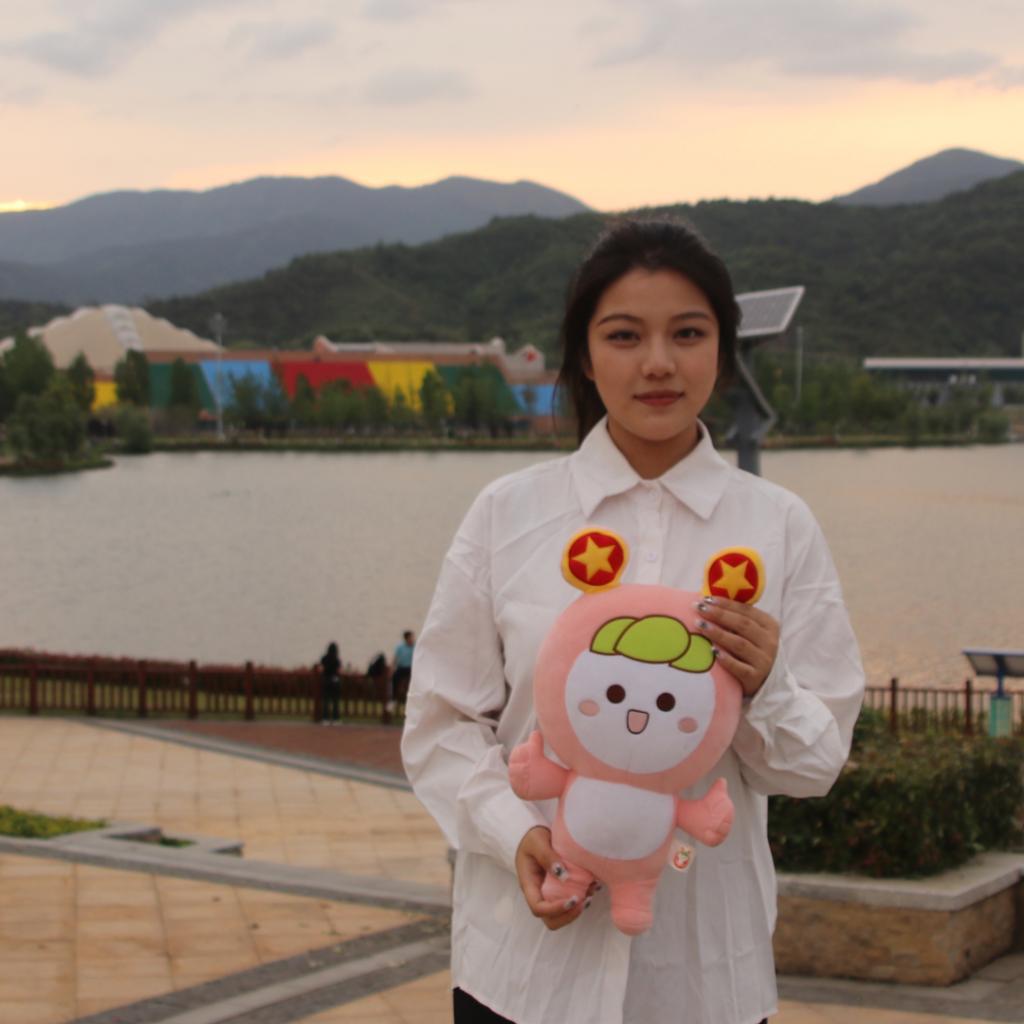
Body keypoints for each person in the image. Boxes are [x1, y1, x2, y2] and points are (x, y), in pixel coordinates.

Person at [401, 218, 864, 1024]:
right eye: (624, 335)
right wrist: (515, 834)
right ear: (585, 355)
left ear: (722, 350)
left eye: (688, 333)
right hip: (522, 973)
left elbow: (814, 764)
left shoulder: (778, 526)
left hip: (703, 980)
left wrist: (767, 686)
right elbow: (441, 726)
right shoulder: (509, 515)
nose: (657, 362)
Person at [318, 641, 342, 725]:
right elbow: (339, 671)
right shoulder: (337, 659)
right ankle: (336, 719)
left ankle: (325, 719)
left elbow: (321, 669)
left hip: (326, 680)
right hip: (335, 681)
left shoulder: (324, 658)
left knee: (326, 700)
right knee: (335, 701)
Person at [391, 630, 416, 708]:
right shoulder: (400, 647)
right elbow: (395, 658)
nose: (413, 639)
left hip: (411, 669)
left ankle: (411, 699)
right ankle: (394, 698)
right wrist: (392, 668)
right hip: (401, 668)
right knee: (394, 678)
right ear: (406, 638)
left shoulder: (415, 647)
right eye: (411, 637)